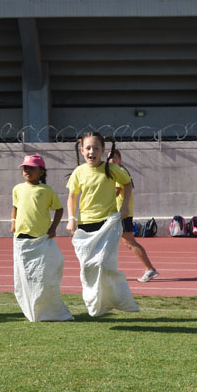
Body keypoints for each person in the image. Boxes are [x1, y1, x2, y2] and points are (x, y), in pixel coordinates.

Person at [66, 132, 139, 317]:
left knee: (103, 264)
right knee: (87, 266)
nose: (92, 151)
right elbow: (72, 196)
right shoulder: (79, 172)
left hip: (107, 224)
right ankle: (95, 303)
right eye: (88, 148)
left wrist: (124, 207)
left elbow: (128, 183)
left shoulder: (111, 169)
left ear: (103, 151)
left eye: (96, 148)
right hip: (85, 225)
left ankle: (117, 300)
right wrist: (71, 218)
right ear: (82, 150)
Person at [11, 154, 72, 321]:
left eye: (31, 168)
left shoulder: (47, 191)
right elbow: (15, 206)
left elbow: (59, 209)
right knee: (24, 276)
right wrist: (13, 222)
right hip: (22, 239)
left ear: (41, 171)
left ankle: (46, 307)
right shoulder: (17, 189)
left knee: (44, 274)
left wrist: (53, 228)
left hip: (41, 239)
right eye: (25, 168)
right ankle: (32, 309)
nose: (27, 171)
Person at [108, 149, 158, 282]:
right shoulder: (118, 172)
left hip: (122, 214)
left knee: (129, 243)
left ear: (120, 159)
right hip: (120, 214)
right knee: (115, 242)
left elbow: (115, 193)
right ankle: (109, 271)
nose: (112, 160)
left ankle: (150, 269)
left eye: (115, 157)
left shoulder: (119, 173)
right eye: (109, 158)